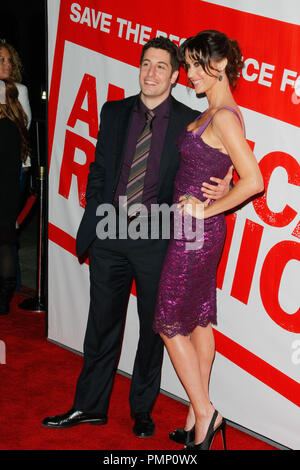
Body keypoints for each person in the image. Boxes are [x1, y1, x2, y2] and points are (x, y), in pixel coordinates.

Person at [42, 37, 232, 438]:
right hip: (110, 232)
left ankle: (141, 412)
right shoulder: (113, 112)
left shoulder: (190, 119)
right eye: (146, 64)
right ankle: (89, 406)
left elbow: (216, 153)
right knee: (101, 325)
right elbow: (98, 167)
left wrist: (227, 179)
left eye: (161, 66)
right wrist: (96, 210)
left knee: (153, 330)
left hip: (156, 237)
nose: (151, 73)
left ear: (175, 74)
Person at [153, 30, 264, 450]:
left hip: (195, 234)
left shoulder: (222, 116)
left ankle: (206, 413)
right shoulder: (216, 112)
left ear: (221, 65)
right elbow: (231, 170)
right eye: (190, 64)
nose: (191, 73)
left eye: (199, 65)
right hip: (193, 231)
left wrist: (204, 208)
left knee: (167, 320)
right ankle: (194, 421)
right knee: (197, 321)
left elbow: (254, 180)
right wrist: (224, 187)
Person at [0, 77, 30, 315]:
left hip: (5, 193)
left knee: (4, 245)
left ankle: (3, 298)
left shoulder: (8, 128)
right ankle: (3, 299)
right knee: (5, 243)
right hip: (8, 194)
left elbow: (10, 170)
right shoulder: (12, 128)